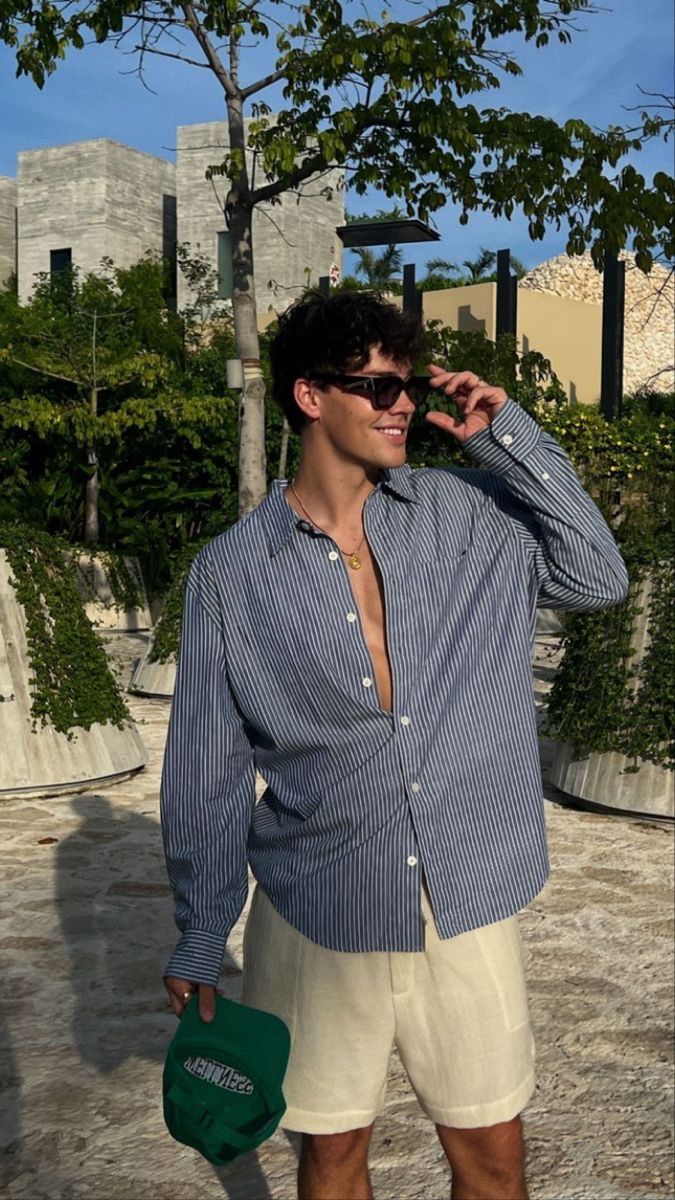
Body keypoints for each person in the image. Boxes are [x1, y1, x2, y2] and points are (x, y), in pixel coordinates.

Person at [161, 290, 628, 1200]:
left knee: (491, 1154)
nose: (402, 404)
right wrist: (200, 933)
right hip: (319, 906)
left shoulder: (467, 513)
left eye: (406, 385)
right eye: (377, 386)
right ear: (309, 396)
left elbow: (595, 575)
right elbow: (208, 774)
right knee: (332, 1153)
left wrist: (507, 437)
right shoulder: (230, 574)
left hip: (467, 897)